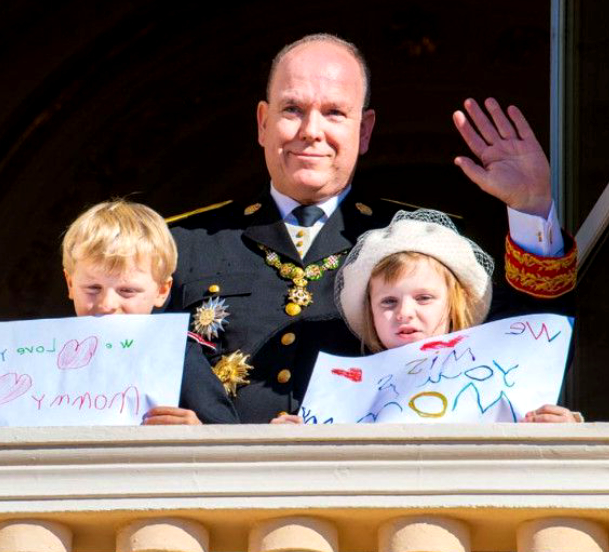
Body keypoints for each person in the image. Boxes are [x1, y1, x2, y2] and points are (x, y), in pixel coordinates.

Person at [167, 33, 577, 424]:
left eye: (334, 113)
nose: (311, 130)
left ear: (363, 130)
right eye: (292, 109)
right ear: (263, 122)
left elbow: (526, 348)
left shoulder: (427, 241)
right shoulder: (180, 245)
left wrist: (531, 209)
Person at [335, 208, 578, 423]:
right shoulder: (343, 392)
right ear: (370, 313)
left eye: (424, 298)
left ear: (454, 305)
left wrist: (562, 430)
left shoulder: (500, 374)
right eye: (389, 302)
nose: (404, 313)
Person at [61, 199, 239, 425]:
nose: (107, 304)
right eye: (93, 288)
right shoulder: (42, 352)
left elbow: (227, 435)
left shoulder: (177, 353)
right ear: (70, 284)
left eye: (127, 291)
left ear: (162, 291)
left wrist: (198, 430)